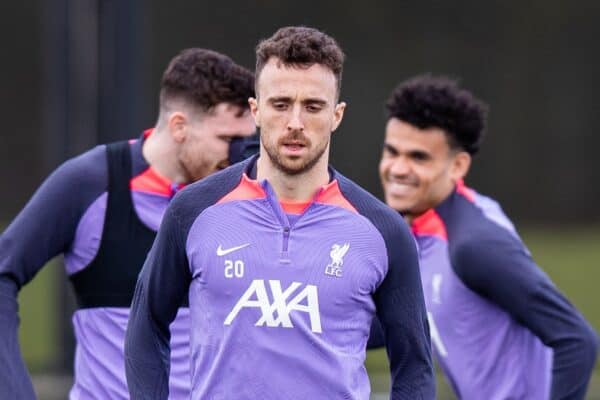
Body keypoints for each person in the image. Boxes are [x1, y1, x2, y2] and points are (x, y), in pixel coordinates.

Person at [124, 26, 435, 400]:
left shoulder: (383, 231)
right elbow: (146, 327)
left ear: (337, 115)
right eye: (281, 104)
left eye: (313, 106)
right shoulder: (193, 211)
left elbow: (415, 367)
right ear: (256, 110)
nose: (295, 123)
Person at [0, 48, 257, 399]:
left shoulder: (242, 196)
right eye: (228, 140)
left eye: (247, 142)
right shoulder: (90, 184)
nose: (239, 157)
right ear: (179, 126)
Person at [376, 75, 598, 399]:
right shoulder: (422, 228)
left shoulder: (473, 246)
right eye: (392, 152)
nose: (397, 169)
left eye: (418, 157)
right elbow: (399, 321)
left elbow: (577, 341)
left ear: (458, 166)